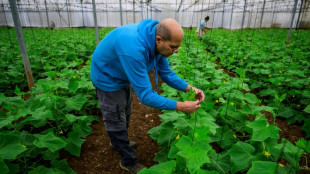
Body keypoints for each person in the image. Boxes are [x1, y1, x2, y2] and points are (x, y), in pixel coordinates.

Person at [90, 18, 205, 174]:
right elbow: (145, 96)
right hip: (107, 77)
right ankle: (128, 160)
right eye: (173, 47)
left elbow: (166, 73)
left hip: (122, 74)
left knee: (126, 111)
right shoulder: (134, 49)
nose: (176, 51)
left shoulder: (158, 43)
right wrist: (180, 106)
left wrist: (189, 88)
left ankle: (118, 141)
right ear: (159, 40)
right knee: (116, 117)